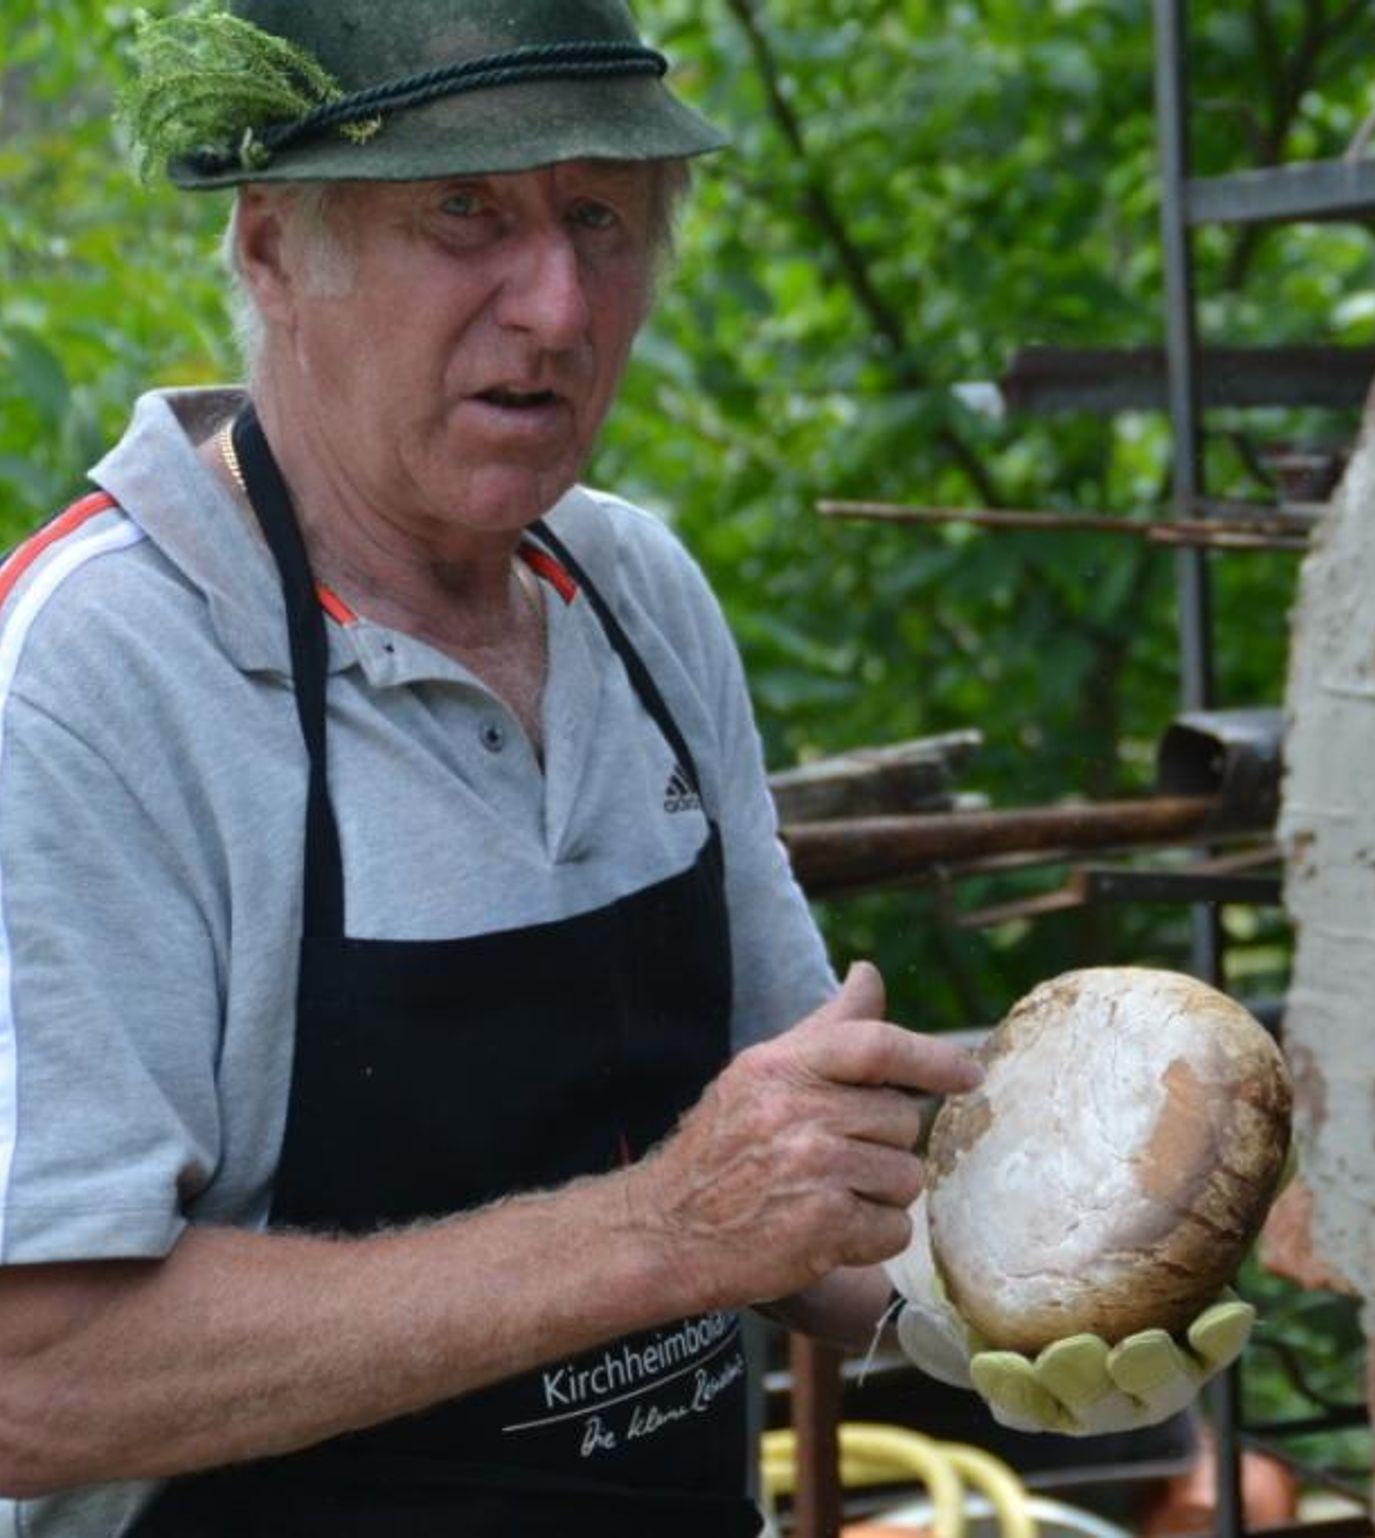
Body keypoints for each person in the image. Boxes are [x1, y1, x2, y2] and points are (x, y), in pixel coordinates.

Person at [0, 3, 1249, 1534]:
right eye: (466, 211)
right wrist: (660, 1233)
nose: (557, 303)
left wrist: (984, 1301)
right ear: (273, 248)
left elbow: (786, 1180)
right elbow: (33, 1376)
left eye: (600, 216)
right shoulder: (95, 678)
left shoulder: (634, 595)